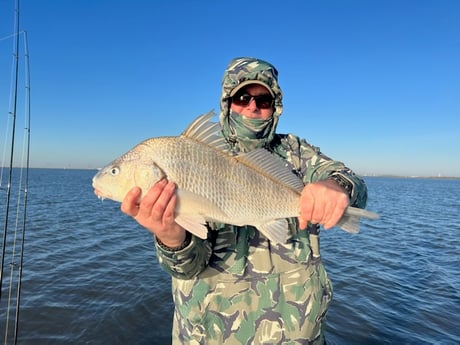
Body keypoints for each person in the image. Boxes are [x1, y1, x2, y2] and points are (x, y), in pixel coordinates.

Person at [121, 57, 368, 344]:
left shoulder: (297, 153)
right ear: (227, 102)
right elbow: (187, 268)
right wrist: (170, 236)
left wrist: (336, 187)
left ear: (274, 107)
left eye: (263, 100)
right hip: (210, 334)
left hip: (297, 334)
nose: (252, 106)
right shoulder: (191, 153)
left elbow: (353, 185)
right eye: (242, 97)